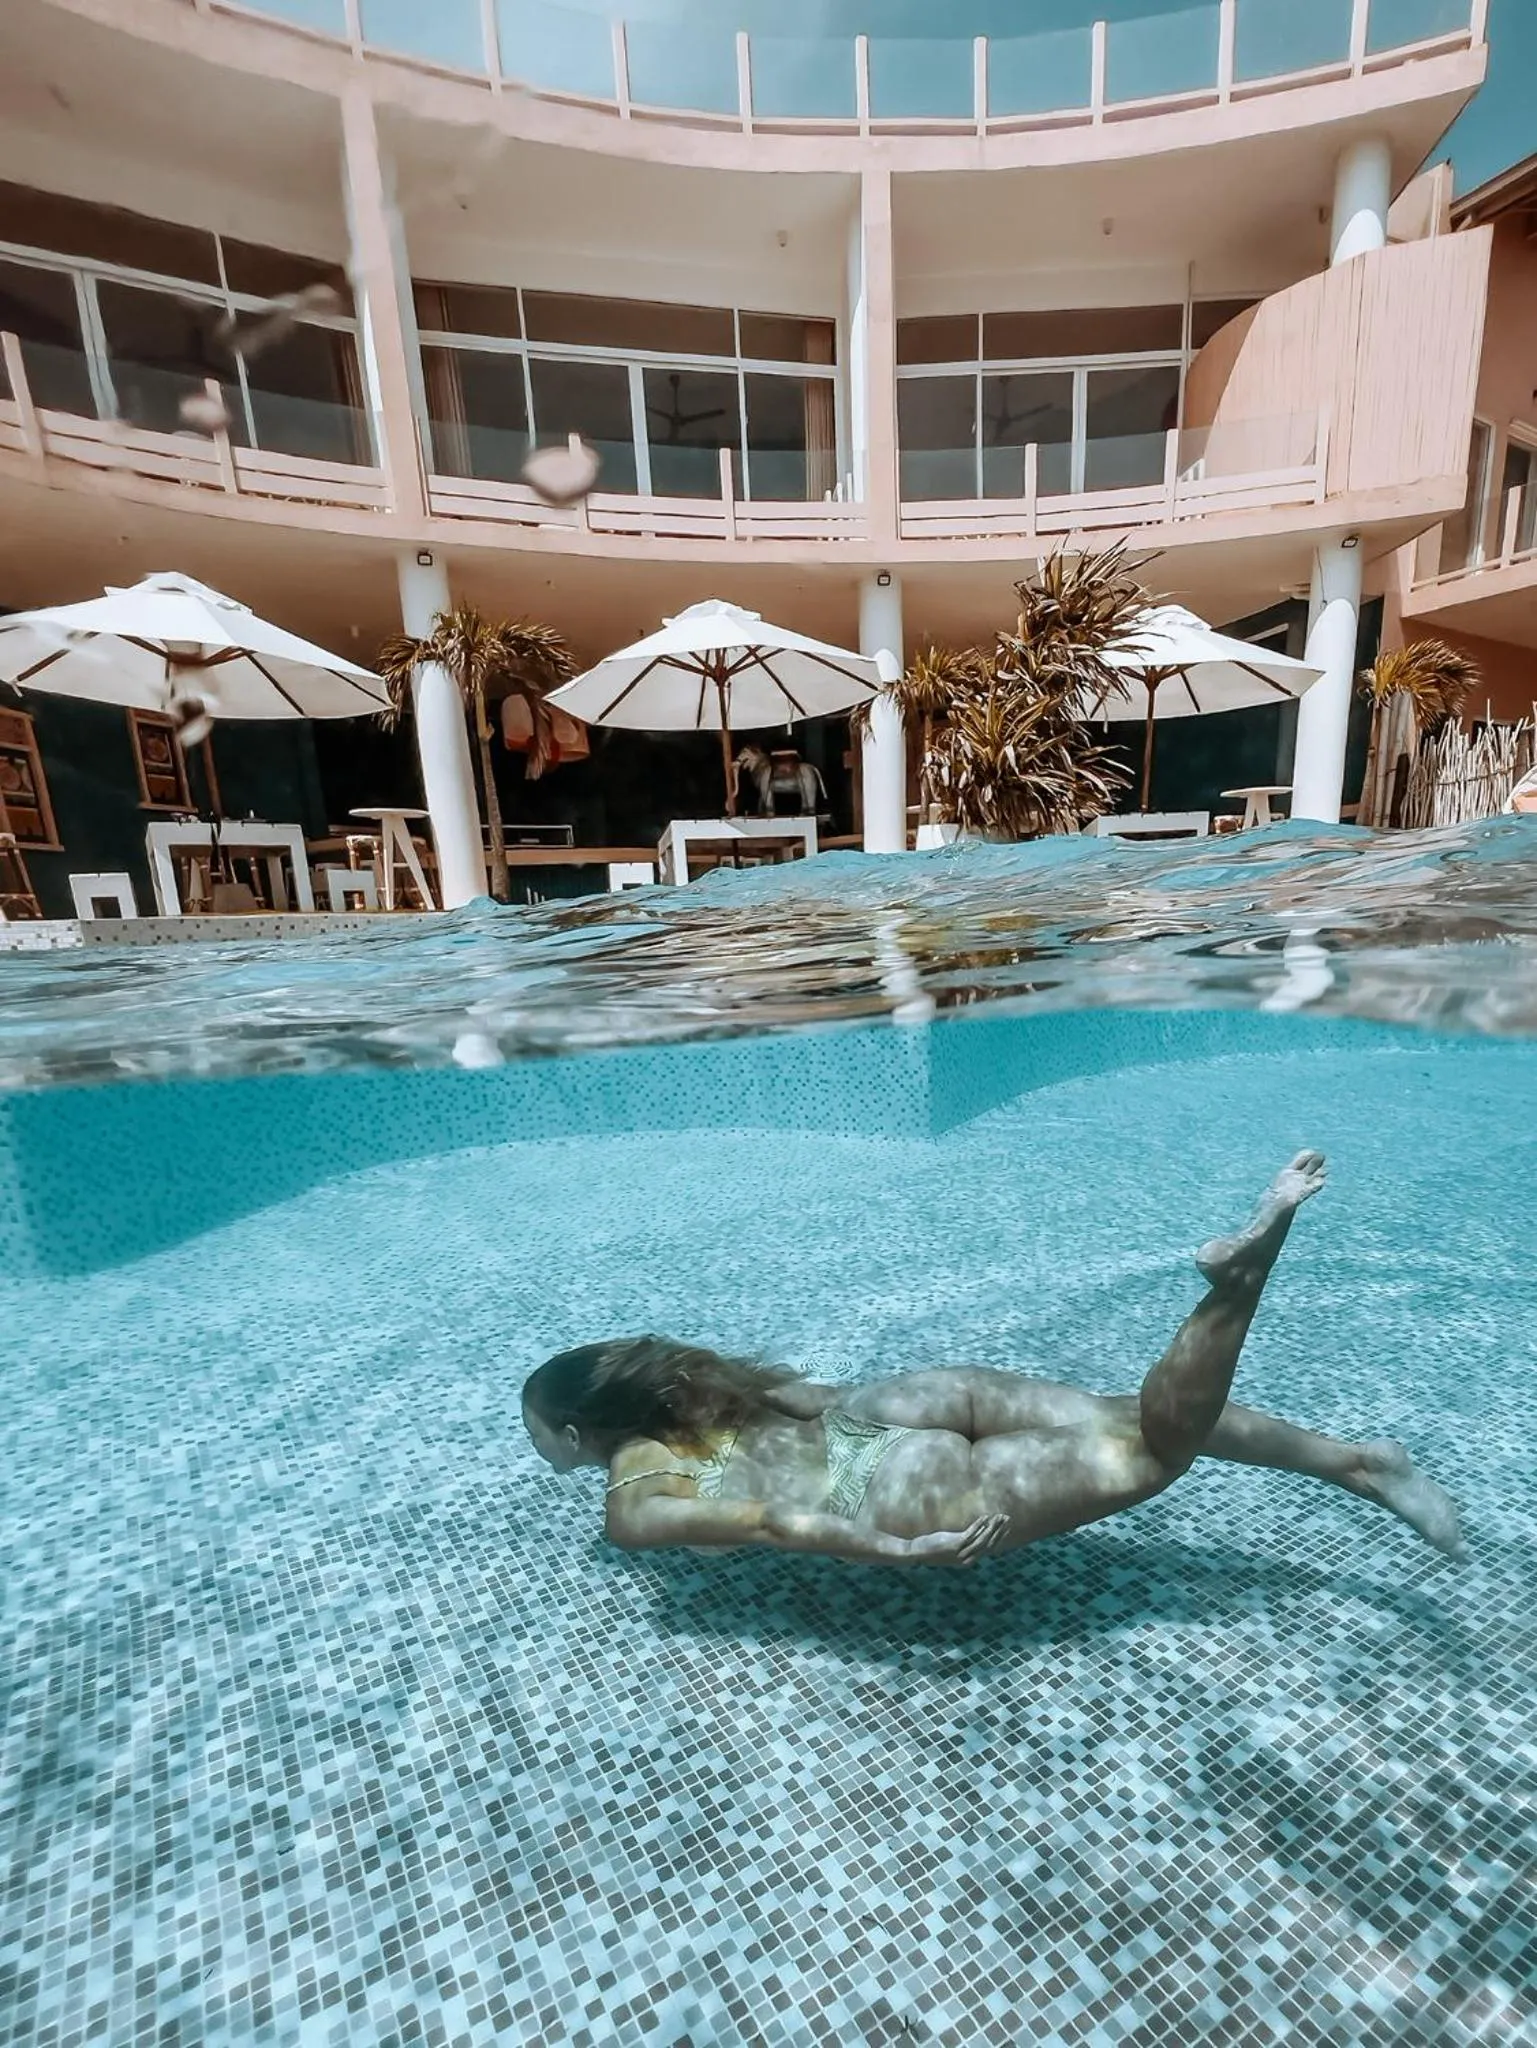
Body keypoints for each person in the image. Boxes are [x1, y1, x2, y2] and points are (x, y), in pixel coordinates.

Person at [521, 1154, 1467, 1567]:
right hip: (897, 1401)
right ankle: (1361, 1463)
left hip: (892, 1483)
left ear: (576, 1432)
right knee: (1124, 1416)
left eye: (542, 1443)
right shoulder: (702, 1384)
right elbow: (814, 1399)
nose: (545, 1456)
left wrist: (895, 1547)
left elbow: (771, 1519)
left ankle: (1236, 1283)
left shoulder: (633, 1499)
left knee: (1153, 1452)